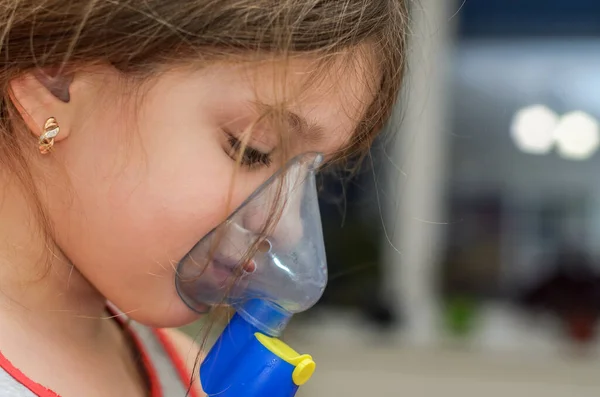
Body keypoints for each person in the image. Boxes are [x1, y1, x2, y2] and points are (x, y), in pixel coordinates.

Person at [0, 0, 408, 396]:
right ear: (54, 76)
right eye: (251, 149)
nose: (289, 229)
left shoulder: (182, 369)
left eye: (309, 177)